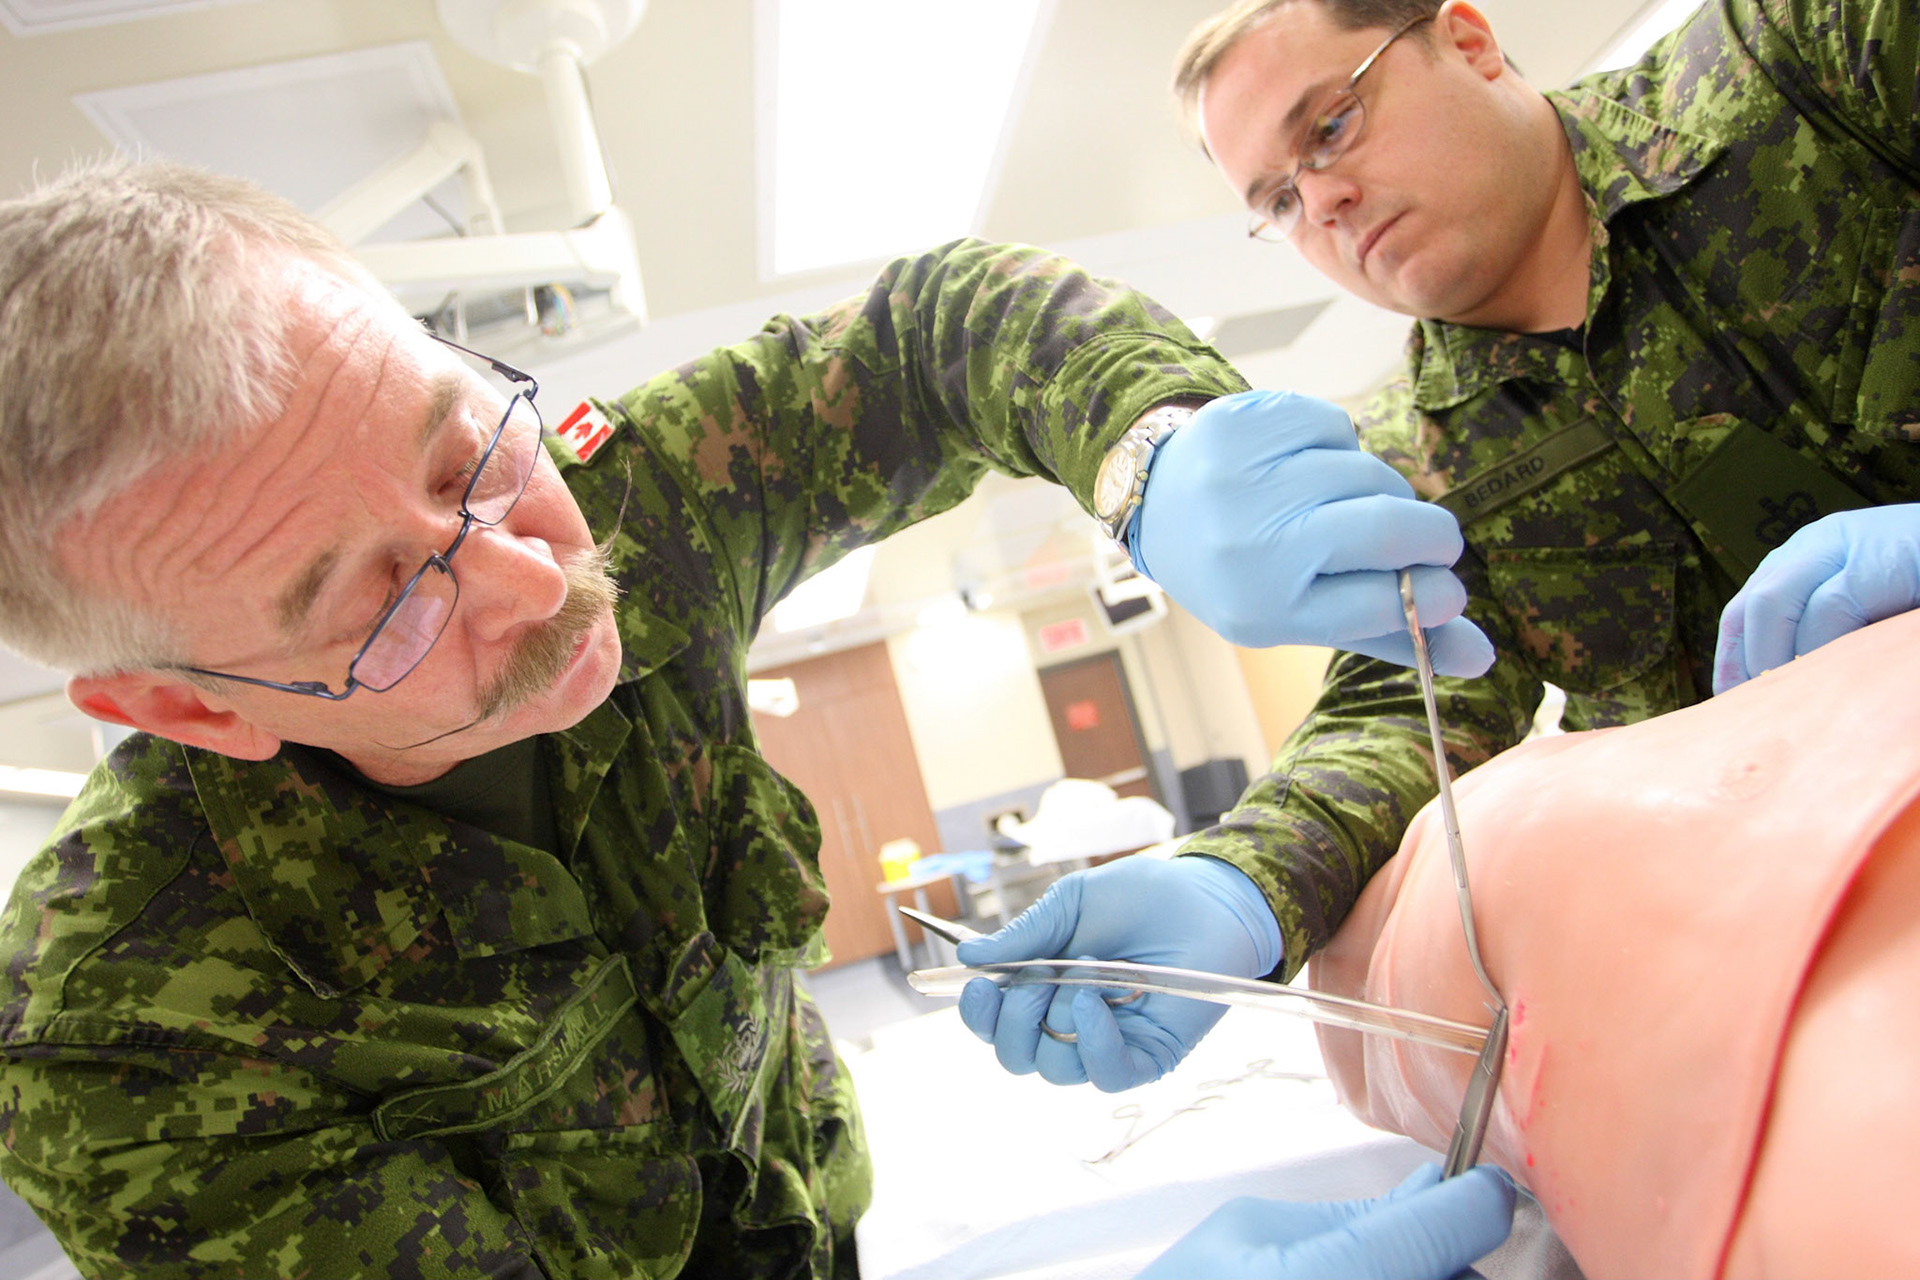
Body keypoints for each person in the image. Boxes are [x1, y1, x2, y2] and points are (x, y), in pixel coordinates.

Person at [0, 161, 1483, 1278]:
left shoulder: (635, 503)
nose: (536, 577)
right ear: (186, 705)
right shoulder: (125, 1038)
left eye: (466, 452)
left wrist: (1154, 450)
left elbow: (937, 336)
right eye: (385, 603)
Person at [957, 0, 1920, 1103]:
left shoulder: (1803, 66)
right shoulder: (1411, 460)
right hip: (1846, 951)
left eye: (1329, 128)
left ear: (1467, 40)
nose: (1321, 201)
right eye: (1278, 200)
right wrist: (1240, 884)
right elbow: (1406, 710)